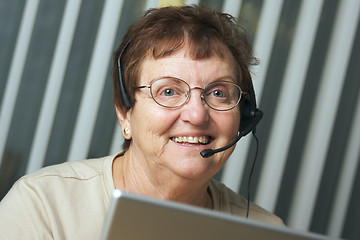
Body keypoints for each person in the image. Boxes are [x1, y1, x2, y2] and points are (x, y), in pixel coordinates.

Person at [0, 5, 283, 239]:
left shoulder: (265, 232)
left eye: (218, 93)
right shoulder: (42, 206)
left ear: (244, 116)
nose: (196, 115)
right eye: (169, 91)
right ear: (125, 112)